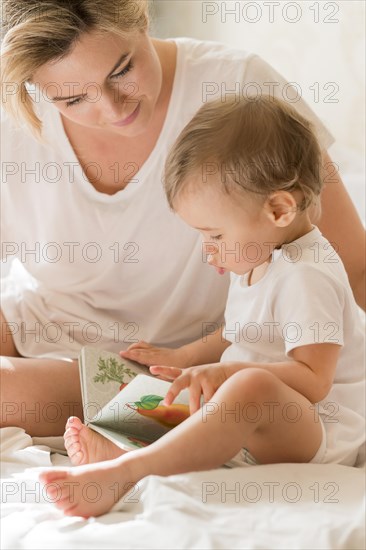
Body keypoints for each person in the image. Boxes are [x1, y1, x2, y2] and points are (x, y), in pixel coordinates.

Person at [1, 1, 365, 437]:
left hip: (188, 361)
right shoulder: (12, 121)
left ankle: (152, 424)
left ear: (142, 18)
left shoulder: (241, 87)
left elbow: (353, 267)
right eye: (73, 99)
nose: (114, 110)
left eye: (121, 71)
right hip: (42, 325)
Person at [39, 95, 365, 518]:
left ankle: (126, 472)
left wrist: (228, 373)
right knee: (152, 392)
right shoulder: (260, 250)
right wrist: (185, 358)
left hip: (318, 429)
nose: (207, 250)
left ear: (280, 209)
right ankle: (119, 444)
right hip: (259, 417)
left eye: (214, 235)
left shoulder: (308, 275)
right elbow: (240, 332)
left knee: (249, 389)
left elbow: (314, 380)